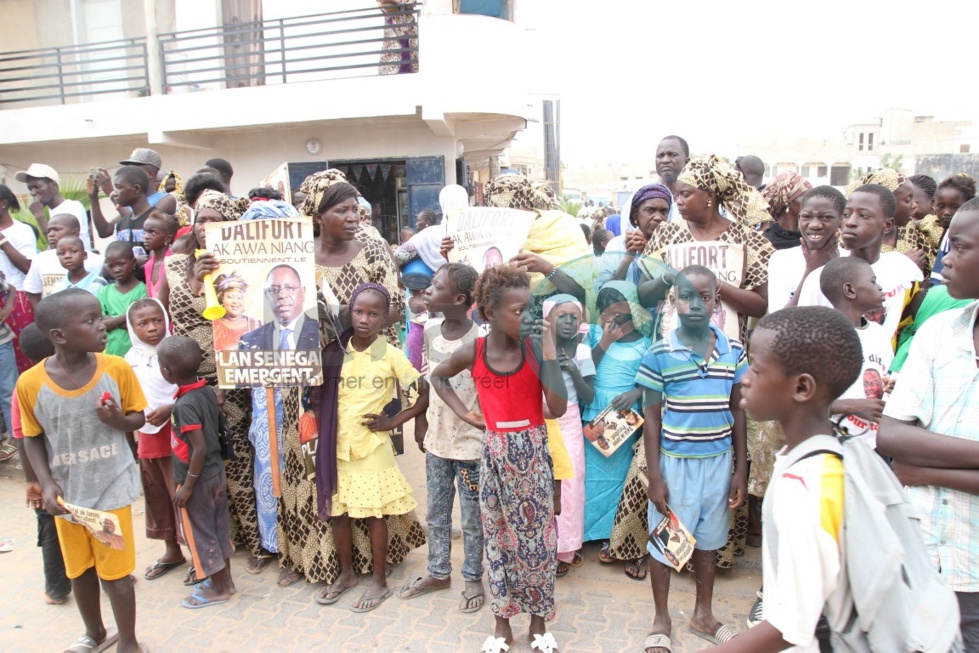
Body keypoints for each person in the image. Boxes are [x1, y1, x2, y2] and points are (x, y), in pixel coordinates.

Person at [638, 154, 774, 571]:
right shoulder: (667, 237)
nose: (677, 200)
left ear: (711, 196)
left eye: (686, 193)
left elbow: (761, 304)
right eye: (676, 192)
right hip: (673, 356)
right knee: (664, 446)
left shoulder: (750, 241)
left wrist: (713, 285)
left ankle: (713, 556)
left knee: (723, 443)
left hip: (725, 358)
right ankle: (663, 551)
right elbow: (644, 293)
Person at [704, 306, 863, 653]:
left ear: (802, 387)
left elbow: (793, 627)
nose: (744, 378)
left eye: (757, 370)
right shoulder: (818, 455)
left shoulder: (808, 483)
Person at [432, 265, 566, 653]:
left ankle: (538, 624)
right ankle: (501, 622)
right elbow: (438, 377)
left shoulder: (535, 350)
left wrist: (551, 354)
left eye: (531, 310)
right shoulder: (472, 351)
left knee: (538, 543)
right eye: (518, 311)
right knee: (498, 539)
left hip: (533, 455)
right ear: (490, 313)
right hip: (492, 458)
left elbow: (556, 408)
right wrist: (464, 413)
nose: (528, 319)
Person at [20, 288, 148, 653]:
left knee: (116, 574)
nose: (102, 325)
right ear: (58, 336)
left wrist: (118, 420)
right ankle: (94, 633)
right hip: (68, 497)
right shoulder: (30, 384)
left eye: (100, 316)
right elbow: (32, 437)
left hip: (110, 490)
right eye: (90, 321)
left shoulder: (116, 369)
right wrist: (46, 485)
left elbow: (138, 418)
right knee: (79, 571)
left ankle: (128, 641)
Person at [878, 199, 979, 650]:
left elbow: (908, 455)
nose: (946, 260)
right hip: (920, 557)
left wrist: (923, 469)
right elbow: (894, 435)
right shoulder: (941, 333)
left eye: (958, 247)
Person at [638, 265, 748, 653]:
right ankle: (661, 618)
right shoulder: (660, 353)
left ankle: (703, 614)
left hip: (718, 463)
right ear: (674, 301)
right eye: (687, 296)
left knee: (707, 540)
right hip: (676, 463)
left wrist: (741, 468)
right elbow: (651, 415)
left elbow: (739, 410)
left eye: (705, 296)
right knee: (668, 541)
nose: (697, 304)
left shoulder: (734, 350)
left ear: (716, 300)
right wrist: (655, 476)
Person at [159, 190, 265, 578]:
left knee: (232, 461)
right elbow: (164, 316)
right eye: (201, 219)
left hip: (232, 378)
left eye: (216, 220)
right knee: (195, 461)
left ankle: (255, 542)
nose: (206, 228)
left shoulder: (244, 267)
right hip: (188, 378)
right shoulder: (173, 265)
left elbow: (249, 317)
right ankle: (218, 541)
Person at [319, 283, 428, 613]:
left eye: (373, 314)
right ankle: (347, 574)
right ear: (349, 313)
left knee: (375, 513)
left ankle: (379, 581)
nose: (364, 319)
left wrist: (393, 421)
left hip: (371, 446)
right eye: (358, 312)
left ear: (386, 319)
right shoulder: (336, 349)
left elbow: (421, 392)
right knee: (338, 511)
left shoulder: (388, 353)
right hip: (336, 445)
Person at [398, 264, 486, 611]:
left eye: (436, 287)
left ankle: (473, 577)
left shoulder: (480, 339)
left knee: (471, 518)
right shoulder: (431, 329)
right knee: (435, 512)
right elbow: (425, 380)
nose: (428, 292)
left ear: (459, 298)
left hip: (470, 446)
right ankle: (438, 571)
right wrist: (419, 423)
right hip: (437, 441)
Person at [158, 335, 235, 609]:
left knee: (201, 535)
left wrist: (187, 486)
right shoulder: (206, 391)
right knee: (217, 528)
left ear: (166, 372)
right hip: (214, 475)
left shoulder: (184, 405)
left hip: (197, 479)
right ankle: (224, 581)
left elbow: (198, 448)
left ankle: (219, 589)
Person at [796, 184, 924, 344]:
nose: (850, 222)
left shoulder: (901, 268)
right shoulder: (823, 276)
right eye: (846, 214)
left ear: (888, 225)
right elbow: (803, 337)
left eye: (863, 215)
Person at [584, 281, 652, 578]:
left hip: (624, 418)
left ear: (634, 312)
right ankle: (585, 533)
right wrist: (605, 342)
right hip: (594, 412)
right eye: (607, 316)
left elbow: (650, 381)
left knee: (618, 478)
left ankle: (613, 533)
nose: (614, 322)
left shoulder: (645, 343)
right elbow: (586, 368)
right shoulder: (594, 336)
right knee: (590, 476)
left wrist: (636, 394)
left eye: (621, 316)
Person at [124, 298, 184, 581]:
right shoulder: (131, 358)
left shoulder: (176, 351)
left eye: (157, 320)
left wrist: (172, 408)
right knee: (157, 493)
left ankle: (196, 552)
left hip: (178, 432)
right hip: (147, 434)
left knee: (181, 493)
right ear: (132, 327)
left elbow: (193, 389)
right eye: (143, 323)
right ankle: (171, 549)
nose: (152, 328)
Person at [10, 322, 71, 602]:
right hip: (68, 469)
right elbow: (24, 436)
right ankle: (108, 581)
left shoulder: (23, 384)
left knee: (49, 527)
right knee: (85, 523)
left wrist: (33, 480)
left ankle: (56, 589)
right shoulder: (63, 378)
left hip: (46, 472)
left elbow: (22, 437)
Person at [544, 294, 594, 577]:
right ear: (547, 319)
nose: (568, 321)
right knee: (544, 483)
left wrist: (573, 370)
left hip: (569, 421)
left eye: (574, 316)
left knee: (570, 485)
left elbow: (589, 394)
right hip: (541, 419)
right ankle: (543, 545)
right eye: (561, 315)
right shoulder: (536, 350)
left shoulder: (583, 352)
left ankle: (565, 550)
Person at [819, 257, 891, 449]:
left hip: (875, 446)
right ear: (850, 290)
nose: (880, 287)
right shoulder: (822, 337)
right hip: (835, 446)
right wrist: (853, 406)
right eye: (873, 282)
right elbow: (801, 406)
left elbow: (884, 378)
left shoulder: (879, 334)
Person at [767, 186, 846, 311]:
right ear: (799, 219)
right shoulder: (781, 260)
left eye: (826, 217)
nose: (815, 225)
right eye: (807, 216)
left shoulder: (850, 260)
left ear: (841, 220)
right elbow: (778, 322)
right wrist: (811, 269)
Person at [846, 169, 932, 274]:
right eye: (907, 200)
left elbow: (931, 275)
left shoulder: (911, 233)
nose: (914, 205)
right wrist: (904, 265)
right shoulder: (850, 240)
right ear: (887, 203)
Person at [596, 184, 672, 291]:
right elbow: (602, 290)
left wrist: (648, 255)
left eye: (664, 211)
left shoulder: (672, 246)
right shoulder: (617, 245)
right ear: (635, 214)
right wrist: (627, 260)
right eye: (650, 210)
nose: (658, 217)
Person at [0, 184, 40, 373]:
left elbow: (28, 267)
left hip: (18, 299)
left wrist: (3, 242)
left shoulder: (22, 230)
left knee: (23, 359)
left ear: (3, 204)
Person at [24, 214, 104, 307]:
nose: (51, 234)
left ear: (74, 233)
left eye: (56, 229)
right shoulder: (40, 259)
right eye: (48, 231)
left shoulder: (97, 261)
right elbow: (32, 290)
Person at [238, 264, 318, 352]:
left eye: (289, 288)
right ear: (267, 296)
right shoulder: (248, 342)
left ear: (303, 293)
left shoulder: (321, 333)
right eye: (274, 290)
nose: (282, 295)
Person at [15, 163, 92, 249]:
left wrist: (39, 216)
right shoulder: (51, 210)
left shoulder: (72, 207)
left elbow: (62, 246)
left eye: (37, 187)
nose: (32, 192)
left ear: (53, 185)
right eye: (30, 189)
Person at [98, 242, 147, 358]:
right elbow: (100, 324)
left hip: (138, 355)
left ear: (133, 262)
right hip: (111, 353)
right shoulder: (104, 292)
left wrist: (111, 320)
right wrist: (128, 315)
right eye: (111, 266)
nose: (116, 269)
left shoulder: (143, 290)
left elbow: (140, 325)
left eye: (121, 264)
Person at [929, 174, 976, 285]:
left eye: (955, 207)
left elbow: (938, 283)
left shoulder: (955, 235)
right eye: (941, 206)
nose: (947, 212)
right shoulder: (948, 231)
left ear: (969, 206)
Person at [761, 172, 812, 250]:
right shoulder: (762, 244)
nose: (813, 202)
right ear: (789, 203)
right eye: (807, 198)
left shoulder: (813, 240)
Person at [212, 273, 261, 351]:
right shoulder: (213, 324)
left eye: (239, 297)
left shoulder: (258, 324)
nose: (235, 301)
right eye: (230, 297)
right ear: (222, 298)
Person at [118, 148, 177, 214]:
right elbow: (108, 225)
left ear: (150, 174)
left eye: (134, 169)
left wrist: (110, 192)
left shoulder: (166, 200)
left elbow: (141, 223)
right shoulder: (132, 201)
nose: (129, 173)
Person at [0, 272, 19, 460]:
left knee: (8, 391)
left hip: (1, 342)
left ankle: (15, 437)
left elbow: (10, 287)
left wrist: (7, 308)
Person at [142, 211, 177, 301]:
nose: (146, 236)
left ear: (167, 238)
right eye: (145, 232)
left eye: (152, 233)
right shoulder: (148, 265)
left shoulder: (174, 262)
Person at [655, 136, 690, 222]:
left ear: (687, 162)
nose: (665, 160)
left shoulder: (700, 199)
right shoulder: (641, 196)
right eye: (660, 155)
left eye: (672, 155)